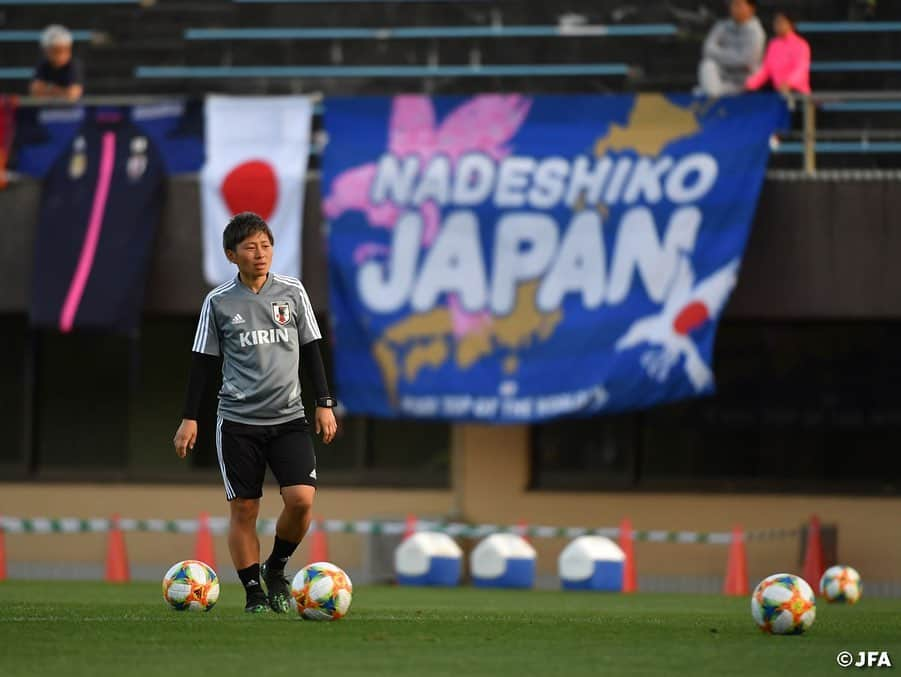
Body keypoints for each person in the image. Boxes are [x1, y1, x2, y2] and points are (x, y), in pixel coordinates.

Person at [173, 211, 338, 614]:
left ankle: (276, 566)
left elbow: (313, 350)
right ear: (232, 255)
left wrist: (325, 403)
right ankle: (254, 594)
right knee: (245, 509)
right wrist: (189, 417)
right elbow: (202, 364)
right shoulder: (218, 302)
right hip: (237, 422)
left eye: (266, 245)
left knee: (301, 499)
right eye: (250, 247)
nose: (260, 253)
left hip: (289, 418)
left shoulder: (292, 292)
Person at [697, 0, 766, 97]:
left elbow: (745, 61)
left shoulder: (757, 32)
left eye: (738, 5)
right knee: (707, 64)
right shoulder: (721, 26)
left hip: (743, 81)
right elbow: (707, 49)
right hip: (722, 76)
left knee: (702, 92)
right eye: (732, 5)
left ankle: (711, 95)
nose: (734, 9)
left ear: (751, 9)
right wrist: (734, 55)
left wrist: (720, 53)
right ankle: (712, 95)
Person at [745, 11, 811, 95]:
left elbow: (801, 69)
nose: (777, 26)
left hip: (798, 93)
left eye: (781, 22)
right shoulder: (773, 45)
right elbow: (766, 69)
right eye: (776, 23)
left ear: (791, 24)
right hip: (779, 93)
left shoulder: (801, 44)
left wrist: (788, 83)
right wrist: (750, 84)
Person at [30, 24, 84, 101]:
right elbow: (35, 92)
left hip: (72, 111)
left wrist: (49, 88)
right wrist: (63, 92)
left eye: (65, 49)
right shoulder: (43, 64)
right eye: (56, 50)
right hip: (47, 110)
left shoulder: (74, 65)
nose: (61, 54)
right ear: (46, 51)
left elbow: (72, 95)